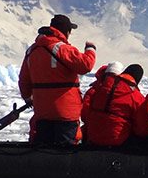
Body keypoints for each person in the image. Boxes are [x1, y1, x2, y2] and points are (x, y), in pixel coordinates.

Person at [18, 14, 96, 145]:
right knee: (64, 153)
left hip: (42, 111)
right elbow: (85, 65)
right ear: (66, 31)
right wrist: (90, 49)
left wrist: (27, 97)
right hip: (65, 112)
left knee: (44, 149)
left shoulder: (32, 51)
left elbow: (24, 80)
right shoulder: (62, 48)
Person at [81, 63, 145, 146]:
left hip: (92, 136)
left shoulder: (99, 87)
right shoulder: (136, 96)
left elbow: (86, 112)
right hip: (117, 140)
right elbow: (141, 125)